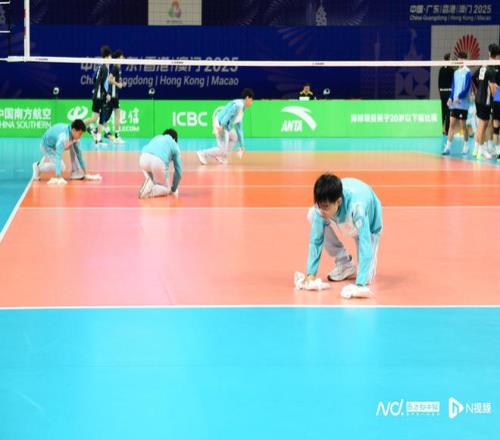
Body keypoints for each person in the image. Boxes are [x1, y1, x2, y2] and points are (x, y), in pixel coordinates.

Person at [304, 174, 382, 298]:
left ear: (338, 201)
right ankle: (344, 263)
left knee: (366, 278)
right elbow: (316, 240)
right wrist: (310, 275)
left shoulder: (357, 209)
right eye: (319, 205)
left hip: (368, 226)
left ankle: (361, 276)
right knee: (313, 215)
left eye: (325, 207)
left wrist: (359, 285)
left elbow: (365, 242)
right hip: (345, 217)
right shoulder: (322, 208)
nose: (322, 210)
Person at [196, 89, 254, 165]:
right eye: (251, 100)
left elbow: (239, 129)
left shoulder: (242, 110)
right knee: (222, 149)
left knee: (234, 137)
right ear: (247, 98)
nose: (252, 102)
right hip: (220, 124)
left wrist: (242, 146)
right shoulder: (238, 105)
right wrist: (222, 126)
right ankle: (202, 153)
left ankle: (222, 157)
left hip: (226, 126)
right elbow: (228, 114)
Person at [32, 120, 100, 184]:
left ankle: (76, 172)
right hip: (47, 147)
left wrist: (86, 174)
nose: (80, 136)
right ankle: (38, 167)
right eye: (80, 134)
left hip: (55, 144)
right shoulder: (63, 137)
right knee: (61, 167)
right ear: (73, 130)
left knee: (75, 145)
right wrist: (58, 177)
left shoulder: (72, 133)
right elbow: (58, 156)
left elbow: (79, 154)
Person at [471, 44, 498, 159]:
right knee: (482, 125)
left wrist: (478, 90)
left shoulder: (483, 65)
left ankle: (476, 149)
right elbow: (493, 89)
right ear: (497, 56)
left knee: (483, 124)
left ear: (489, 53)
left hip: (479, 99)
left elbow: (473, 77)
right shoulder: (491, 70)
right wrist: (495, 95)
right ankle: (481, 151)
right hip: (485, 101)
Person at [442, 52, 472, 156]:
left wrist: (458, 97)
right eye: (459, 59)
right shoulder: (455, 73)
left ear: (465, 60)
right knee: (451, 124)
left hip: (463, 104)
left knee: (463, 126)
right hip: (454, 104)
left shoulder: (468, 72)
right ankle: (448, 147)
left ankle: (466, 145)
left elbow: (467, 88)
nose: (460, 61)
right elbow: (453, 87)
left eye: (462, 59)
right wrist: (450, 98)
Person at [138, 129, 182, 199]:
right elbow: (178, 171)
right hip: (158, 161)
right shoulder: (174, 144)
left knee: (154, 182)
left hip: (143, 159)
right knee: (166, 189)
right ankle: (150, 191)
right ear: (174, 139)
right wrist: (173, 189)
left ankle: (150, 185)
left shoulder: (157, 137)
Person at [84, 45, 112, 144]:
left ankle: (76, 127)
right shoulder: (104, 68)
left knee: (96, 118)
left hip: (98, 95)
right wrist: (106, 93)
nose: (111, 59)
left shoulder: (101, 67)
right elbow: (102, 82)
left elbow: (94, 79)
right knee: (99, 117)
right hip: (100, 96)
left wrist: (97, 90)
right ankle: (98, 138)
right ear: (108, 56)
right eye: (111, 57)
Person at [438, 53, 454, 135]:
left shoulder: (441, 69)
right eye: (451, 58)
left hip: (442, 92)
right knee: (448, 111)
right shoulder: (451, 70)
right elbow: (453, 83)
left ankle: (442, 128)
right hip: (448, 92)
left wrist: (440, 91)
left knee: (443, 110)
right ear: (449, 59)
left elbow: (439, 82)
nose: (452, 60)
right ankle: (446, 130)